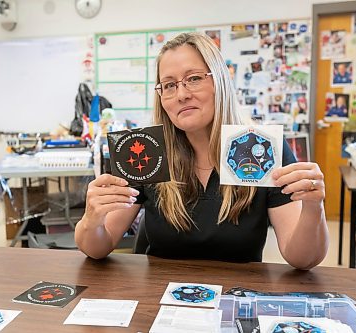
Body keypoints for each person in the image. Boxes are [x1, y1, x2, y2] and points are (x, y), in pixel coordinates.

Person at [75, 32, 328, 270]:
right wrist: (92, 217)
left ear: (219, 81)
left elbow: (302, 259)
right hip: (160, 301)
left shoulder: (262, 148)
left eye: (194, 79)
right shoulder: (146, 151)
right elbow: (98, 247)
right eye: (169, 85)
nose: (181, 94)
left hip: (235, 302)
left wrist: (313, 207)